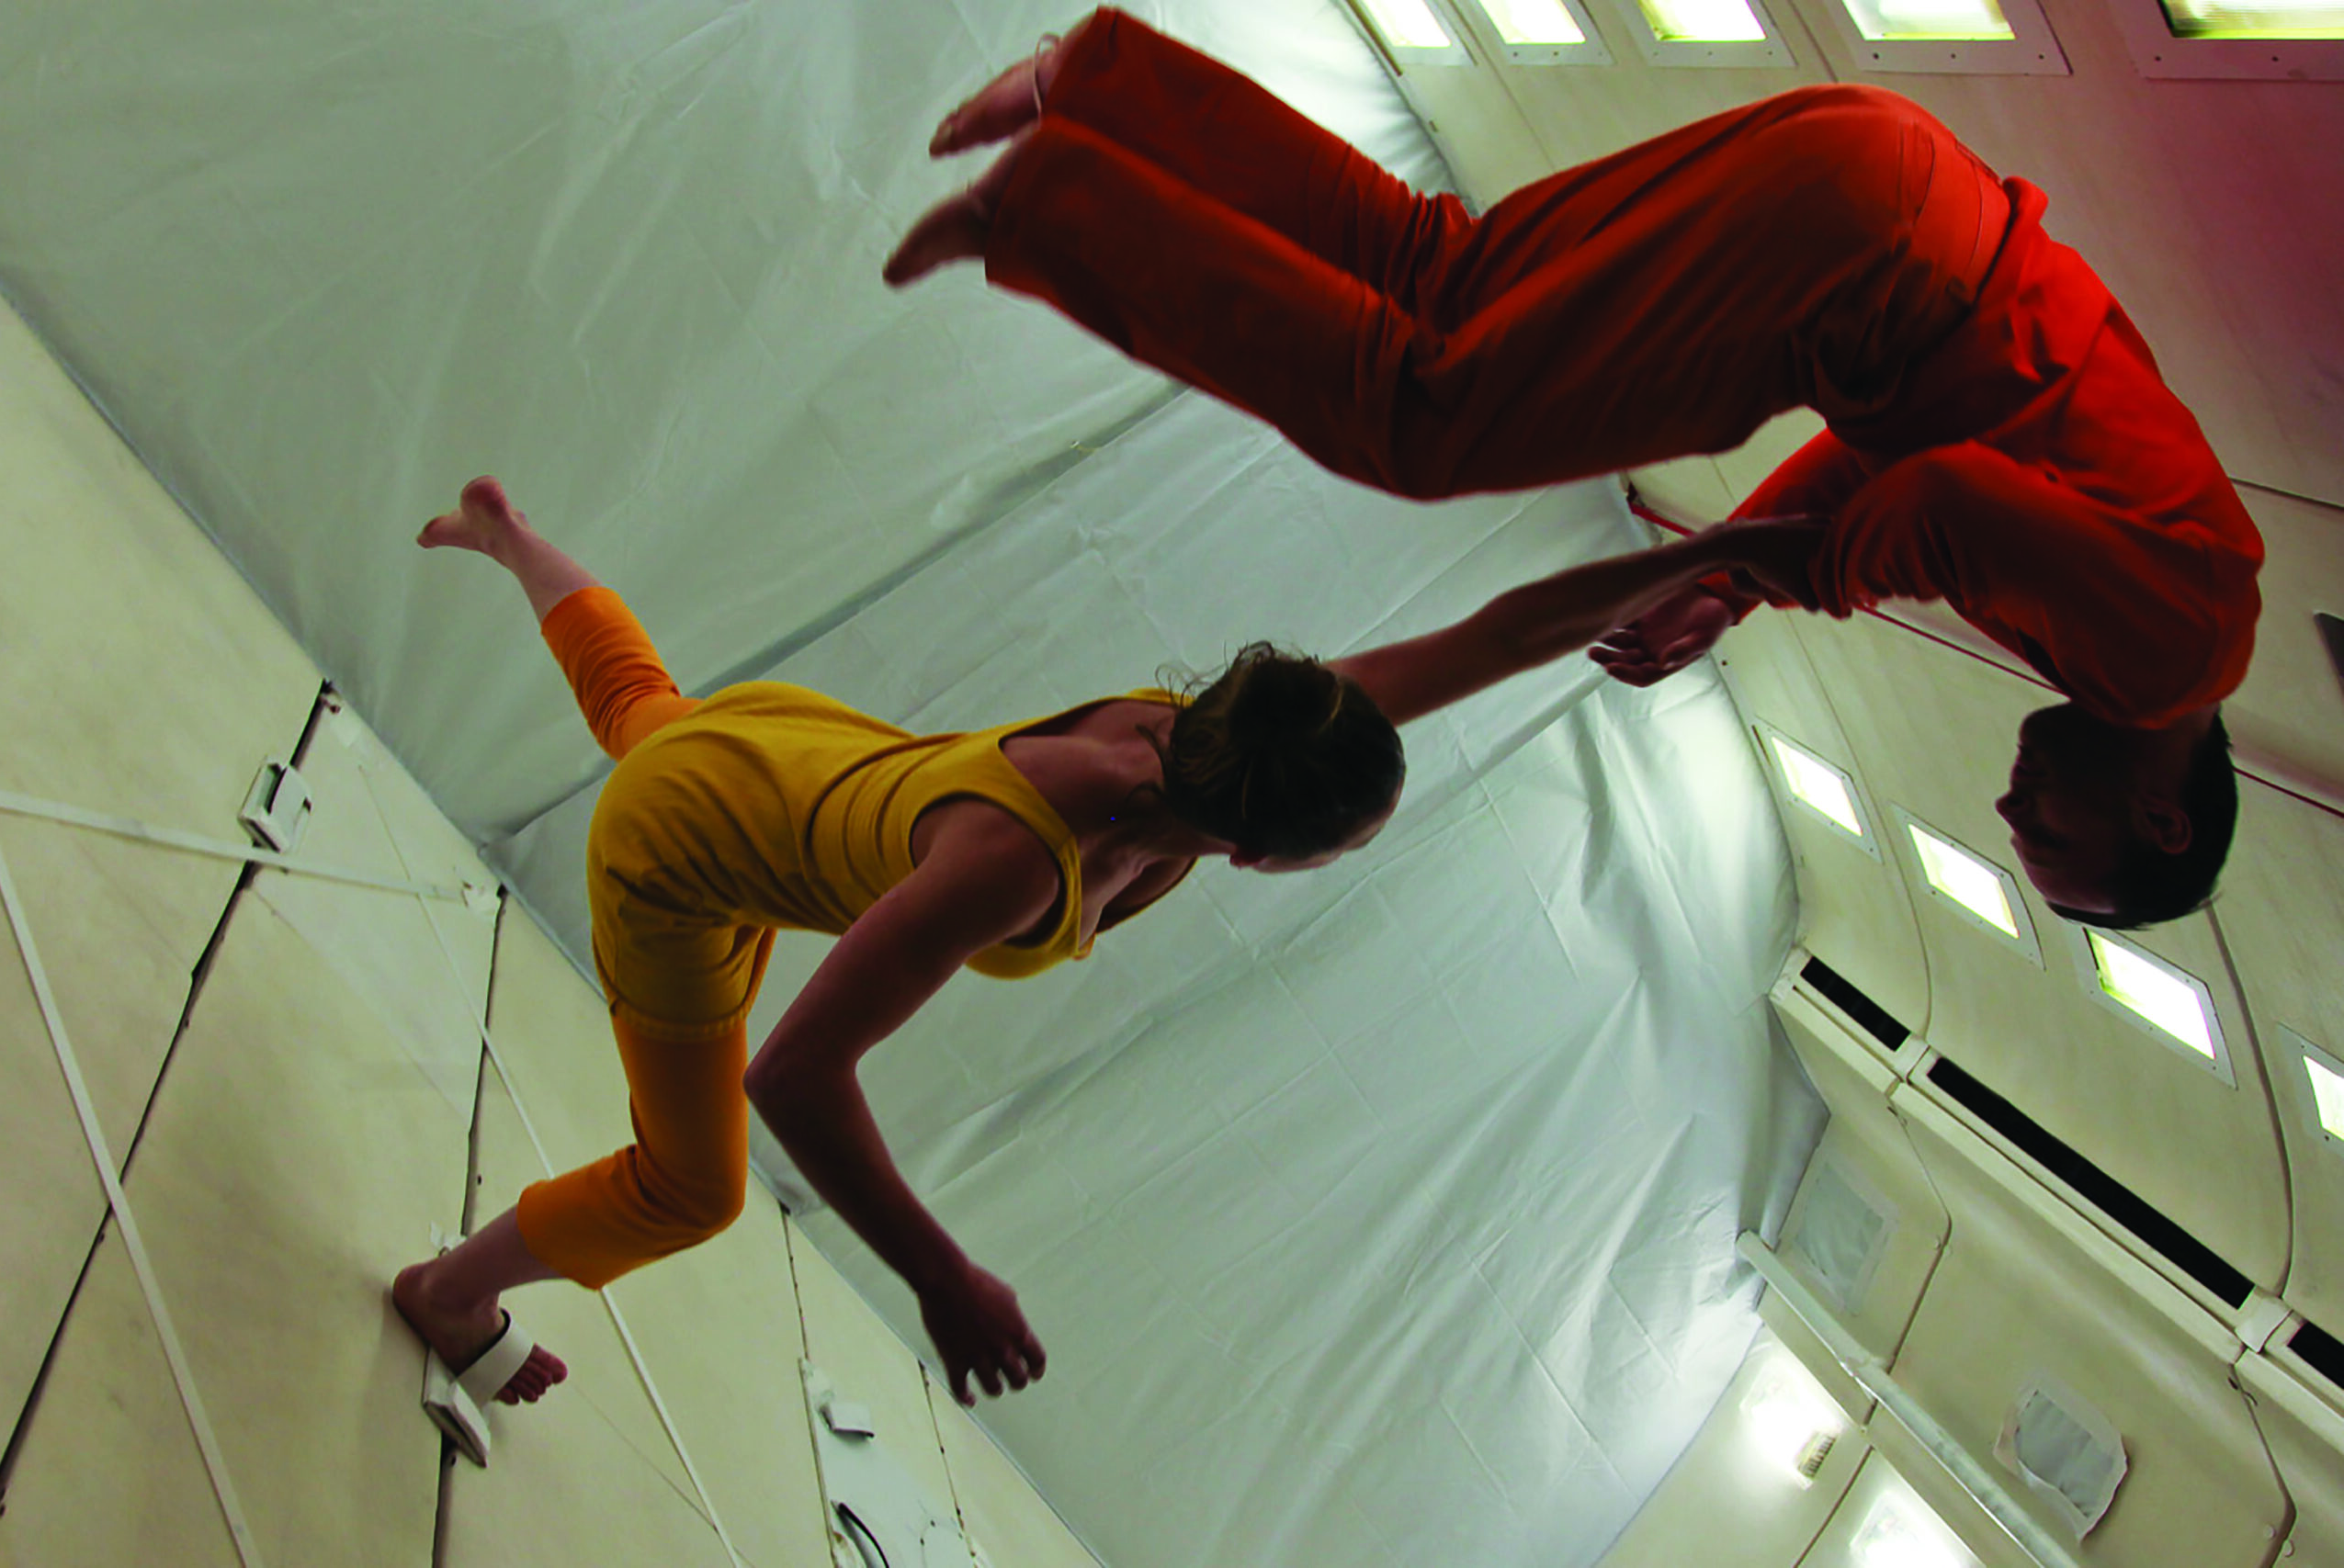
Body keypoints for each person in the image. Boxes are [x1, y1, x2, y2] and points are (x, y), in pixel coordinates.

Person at [391, 476, 1819, 1436]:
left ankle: (508, 533)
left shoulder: (1223, 735)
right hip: (682, 853)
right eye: (1336, 853)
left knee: (654, 709)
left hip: (775, 753)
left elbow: (1500, 633)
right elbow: (798, 1076)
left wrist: (1718, 555)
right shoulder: (1017, 860)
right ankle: (451, 1287)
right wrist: (942, 1275)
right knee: (689, 1185)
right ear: (1261, 857)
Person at [884, 9, 2263, 929]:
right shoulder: (2170, 660)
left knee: (1443, 271)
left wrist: (1731, 585)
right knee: (1427, 423)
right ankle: (1058, 209)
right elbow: (1942, 508)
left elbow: (1910, 456)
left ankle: (1105, 81)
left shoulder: (2149, 634)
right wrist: (1770, 571)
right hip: (1860, 269)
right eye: (2055, 840)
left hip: (1879, 184)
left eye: (2016, 836)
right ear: (2157, 814)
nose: (2015, 806)